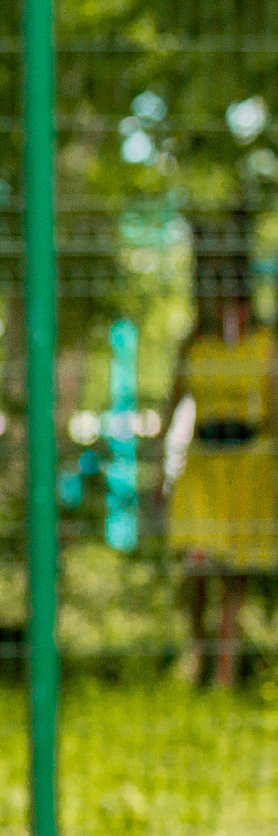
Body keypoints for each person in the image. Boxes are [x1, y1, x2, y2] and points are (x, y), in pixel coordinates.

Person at [165, 255, 277, 689]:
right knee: (197, 559)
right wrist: (160, 469)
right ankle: (198, 650)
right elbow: (173, 405)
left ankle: (223, 678)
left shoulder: (266, 344)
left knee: (235, 571)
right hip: (203, 463)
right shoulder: (195, 346)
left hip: (250, 464)